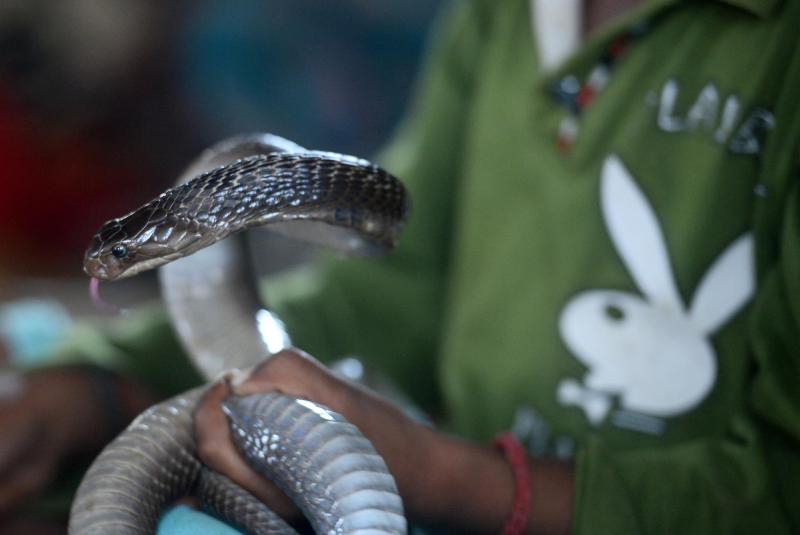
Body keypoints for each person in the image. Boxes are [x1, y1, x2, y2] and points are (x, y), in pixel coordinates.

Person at [3, 0, 800, 532]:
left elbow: (780, 481)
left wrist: (446, 476)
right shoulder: (500, 18)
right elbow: (396, 291)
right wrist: (100, 386)